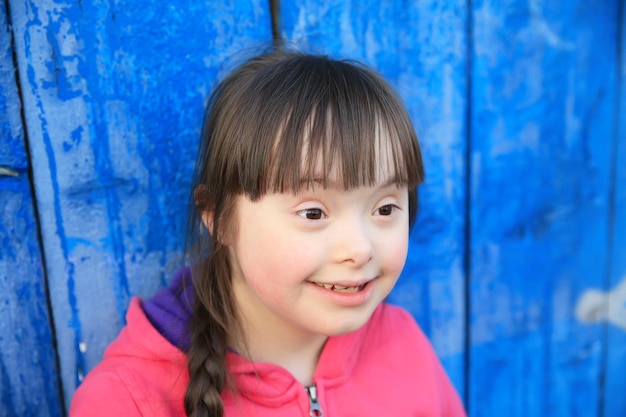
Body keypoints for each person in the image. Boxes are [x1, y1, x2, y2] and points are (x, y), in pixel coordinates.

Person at [70, 47, 466, 417]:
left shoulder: (402, 344)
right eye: (313, 212)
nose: (360, 249)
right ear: (219, 217)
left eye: (384, 208)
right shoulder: (127, 401)